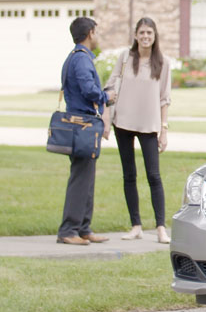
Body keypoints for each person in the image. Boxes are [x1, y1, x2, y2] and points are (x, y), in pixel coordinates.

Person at [106, 17, 172, 244]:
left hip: (149, 125)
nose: (145, 37)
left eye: (149, 33)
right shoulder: (126, 57)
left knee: (154, 176)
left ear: (155, 37)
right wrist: (107, 115)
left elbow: (165, 98)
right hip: (123, 123)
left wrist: (164, 130)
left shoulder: (163, 63)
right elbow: (111, 83)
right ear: (136, 35)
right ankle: (136, 226)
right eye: (142, 33)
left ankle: (161, 228)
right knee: (129, 175)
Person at [57, 17, 115, 246]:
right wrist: (106, 97)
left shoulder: (76, 57)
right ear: (90, 33)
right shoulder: (81, 59)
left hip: (84, 125)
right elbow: (88, 90)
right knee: (81, 179)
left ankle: (83, 228)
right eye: (96, 32)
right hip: (83, 125)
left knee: (87, 178)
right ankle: (68, 230)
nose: (97, 36)